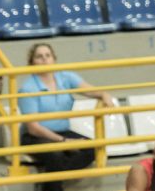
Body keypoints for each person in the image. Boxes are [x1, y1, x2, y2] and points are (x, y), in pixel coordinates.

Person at [18, 43, 113, 191]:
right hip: (35, 136)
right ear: (32, 63)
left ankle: (48, 183)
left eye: (48, 55)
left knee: (93, 147)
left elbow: (91, 90)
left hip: (62, 131)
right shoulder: (27, 88)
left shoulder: (66, 77)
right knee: (56, 155)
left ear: (54, 59)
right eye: (39, 57)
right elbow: (34, 128)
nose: (44, 59)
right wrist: (64, 141)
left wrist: (104, 94)